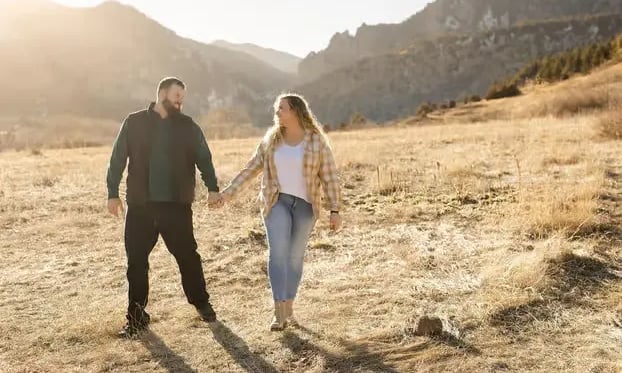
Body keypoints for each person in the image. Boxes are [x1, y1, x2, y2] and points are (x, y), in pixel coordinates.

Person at [106, 77, 224, 338]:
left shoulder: (187, 126)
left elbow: (204, 157)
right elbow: (117, 158)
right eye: (176, 94)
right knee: (136, 262)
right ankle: (136, 316)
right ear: (161, 94)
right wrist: (112, 193)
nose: (181, 99)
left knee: (187, 256)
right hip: (141, 206)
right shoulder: (134, 122)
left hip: (176, 206)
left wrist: (213, 187)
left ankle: (202, 303)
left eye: (183, 95)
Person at [221, 93, 343, 331]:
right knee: (278, 253)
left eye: (281, 109)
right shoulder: (270, 141)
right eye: (277, 110)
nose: (277, 114)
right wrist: (227, 193)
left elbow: (329, 177)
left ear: (296, 111)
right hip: (276, 201)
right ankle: (279, 313)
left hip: (306, 206)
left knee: (295, 258)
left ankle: (289, 307)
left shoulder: (316, 141)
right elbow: (250, 169)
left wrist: (335, 209)